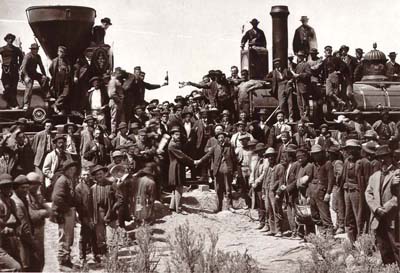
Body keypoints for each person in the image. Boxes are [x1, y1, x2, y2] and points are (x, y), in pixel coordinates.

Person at [365, 145, 400, 266]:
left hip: (393, 216)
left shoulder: (397, 173)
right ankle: (388, 268)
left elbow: (397, 196)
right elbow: (368, 194)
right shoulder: (374, 176)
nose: (382, 160)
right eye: (380, 158)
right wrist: (376, 208)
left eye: (385, 157)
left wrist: (385, 208)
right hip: (378, 216)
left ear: (391, 157)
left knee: (396, 246)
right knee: (383, 245)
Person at [51, 160, 80, 269]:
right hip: (63, 212)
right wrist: (67, 209)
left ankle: (66, 259)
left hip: (68, 211)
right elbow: (57, 198)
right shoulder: (62, 180)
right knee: (64, 237)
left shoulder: (69, 180)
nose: (74, 171)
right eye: (71, 169)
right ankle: (63, 262)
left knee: (69, 237)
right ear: (66, 170)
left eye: (74, 169)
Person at [198, 132, 238, 212]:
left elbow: (234, 159)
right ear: (217, 139)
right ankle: (219, 207)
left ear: (225, 138)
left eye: (222, 137)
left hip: (227, 169)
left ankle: (230, 206)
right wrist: (200, 161)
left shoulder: (230, 147)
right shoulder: (215, 147)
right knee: (218, 189)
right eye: (219, 138)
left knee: (228, 189)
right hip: (217, 170)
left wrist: (235, 171)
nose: (221, 139)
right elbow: (208, 155)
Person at [11, 175, 39, 272]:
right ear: (16, 188)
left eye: (27, 187)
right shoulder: (17, 203)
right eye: (22, 188)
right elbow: (23, 227)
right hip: (23, 241)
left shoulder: (22, 199)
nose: (25, 190)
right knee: (29, 267)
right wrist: (33, 242)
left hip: (24, 240)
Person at [26, 172, 51, 272]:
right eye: (34, 184)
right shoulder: (25, 197)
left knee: (40, 259)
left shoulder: (37, 196)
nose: (36, 186)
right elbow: (32, 215)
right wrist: (42, 212)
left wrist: (42, 212)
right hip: (31, 232)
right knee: (33, 260)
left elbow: (49, 211)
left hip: (39, 231)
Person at [89, 165, 115, 258]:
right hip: (98, 212)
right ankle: (104, 254)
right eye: (97, 174)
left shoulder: (111, 185)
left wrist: (112, 211)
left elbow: (118, 200)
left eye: (101, 173)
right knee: (100, 236)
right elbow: (90, 205)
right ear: (95, 177)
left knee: (111, 235)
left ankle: (113, 256)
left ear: (104, 174)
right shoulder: (93, 188)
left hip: (110, 212)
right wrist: (91, 218)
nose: (99, 176)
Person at [167, 126, 195, 214]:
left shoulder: (175, 143)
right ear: (172, 135)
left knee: (176, 187)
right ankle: (179, 208)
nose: (178, 136)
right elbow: (182, 156)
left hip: (177, 166)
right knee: (179, 187)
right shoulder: (172, 145)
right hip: (176, 167)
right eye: (176, 135)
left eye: (179, 134)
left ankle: (172, 206)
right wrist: (192, 162)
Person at [309, 144, 334, 235]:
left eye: (318, 154)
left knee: (325, 214)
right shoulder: (313, 165)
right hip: (313, 192)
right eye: (314, 154)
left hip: (322, 192)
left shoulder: (327, 164)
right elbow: (310, 179)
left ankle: (329, 234)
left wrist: (328, 193)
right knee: (314, 214)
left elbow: (331, 180)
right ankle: (322, 232)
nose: (316, 156)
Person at [0, 174, 21, 272]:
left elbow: (16, 219)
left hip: (7, 240)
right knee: (16, 268)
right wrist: (5, 229)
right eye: (5, 186)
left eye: (10, 186)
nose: (8, 189)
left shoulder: (11, 201)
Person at [20, 43, 50, 110]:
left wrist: (44, 75)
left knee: (44, 79)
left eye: (37, 49)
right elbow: (23, 68)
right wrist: (26, 77)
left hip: (34, 73)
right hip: (26, 74)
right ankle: (26, 104)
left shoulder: (38, 57)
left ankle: (47, 95)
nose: (36, 51)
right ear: (31, 50)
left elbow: (41, 66)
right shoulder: (27, 56)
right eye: (34, 49)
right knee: (29, 85)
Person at [263, 147, 285, 237]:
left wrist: (278, 193)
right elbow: (264, 181)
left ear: (275, 156)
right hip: (268, 191)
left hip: (275, 192)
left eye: (272, 156)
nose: (270, 158)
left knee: (277, 210)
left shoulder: (279, 167)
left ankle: (279, 230)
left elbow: (281, 182)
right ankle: (272, 229)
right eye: (268, 157)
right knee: (269, 210)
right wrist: (264, 192)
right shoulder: (268, 168)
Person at [42, 134, 73, 199]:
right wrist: (53, 176)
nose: (61, 145)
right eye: (59, 143)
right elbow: (45, 170)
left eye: (63, 143)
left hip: (66, 176)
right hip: (55, 177)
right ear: (56, 144)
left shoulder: (68, 155)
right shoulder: (50, 155)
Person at [0, 33, 24, 109]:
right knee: (7, 88)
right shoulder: (2, 49)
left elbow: (22, 58)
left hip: (14, 72)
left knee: (13, 89)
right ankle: (10, 104)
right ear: (6, 40)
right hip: (5, 72)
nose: (10, 40)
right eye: (9, 39)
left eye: (12, 39)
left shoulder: (16, 49)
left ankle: (13, 105)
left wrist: (19, 66)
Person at [248, 143, 268, 231]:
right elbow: (253, 171)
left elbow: (264, 173)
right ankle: (261, 221)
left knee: (264, 204)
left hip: (263, 185)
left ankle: (266, 223)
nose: (260, 153)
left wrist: (257, 181)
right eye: (258, 152)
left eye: (261, 151)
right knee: (259, 204)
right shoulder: (256, 160)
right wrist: (251, 181)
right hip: (256, 185)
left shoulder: (266, 161)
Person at [49, 46, 72, 114]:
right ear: (58, 52)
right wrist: (55, 76)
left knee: (65, 93)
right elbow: (50, 69)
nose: (62, 53)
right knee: (58, 93)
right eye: (60, 52)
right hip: (58, 79)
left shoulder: (67, 61)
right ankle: (59, 109)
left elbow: (70, 70)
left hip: (66, 79)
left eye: (63, 52)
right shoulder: (55, 60)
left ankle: (56, 104)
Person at [292, 51, 311, 118]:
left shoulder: (306, 64)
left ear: (303, 57)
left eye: (300, 56)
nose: (299, 58)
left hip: (303, 86)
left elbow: (308, 74)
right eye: (298, 56)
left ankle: (306, 116)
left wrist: (299, 75)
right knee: (299, 102)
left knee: (304, 102)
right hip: (298, 86)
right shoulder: (298, 65)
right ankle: (302, 116)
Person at [108, 68, 127, 137]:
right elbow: (112, 93)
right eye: (119, 73)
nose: (120, 74)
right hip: (115, 101)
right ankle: (113, 132)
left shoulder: (117, 81)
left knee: (119, 117)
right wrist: (119, 100)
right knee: (114, 118)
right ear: (116, 73)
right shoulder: (113, 81)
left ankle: (119, 132)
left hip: (118, 102)